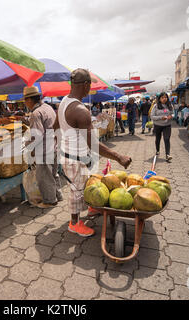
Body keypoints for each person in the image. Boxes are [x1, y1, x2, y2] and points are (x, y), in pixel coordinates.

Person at [53, 68, 132, 237]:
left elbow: (55, 126)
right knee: (77, 190)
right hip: (75, 159)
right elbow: (94, 144)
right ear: (86, 85)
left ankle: (90, 207)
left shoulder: (62, 103)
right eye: (90, 85)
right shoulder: (81, 111)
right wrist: (119, 157)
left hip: (70, 155)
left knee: (85, 185)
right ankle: (74, 223)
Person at [23, 86, 63, 209]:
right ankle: (58, 195)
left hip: (45, 150)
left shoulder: (36, 113)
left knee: (44, 177)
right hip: (54, 146)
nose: (25, 103)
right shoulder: (47, 107)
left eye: (25, 100)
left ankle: (50, 201)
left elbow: (37, 135)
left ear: (29, 100)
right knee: (53, 173)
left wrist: (30, 148)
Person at [150, 92, 173, 162]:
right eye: (162, 97)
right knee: (158, 139)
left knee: (166, 139)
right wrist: (161, 117)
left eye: (165, 97)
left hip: (167, 125)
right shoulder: (156, 106)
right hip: (158, 125)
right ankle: (157, 150)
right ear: (159, 99)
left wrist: (171, 116)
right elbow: (152, 116)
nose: (164, 99)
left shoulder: (170, 105)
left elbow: (174, 113)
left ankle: (167, 155)